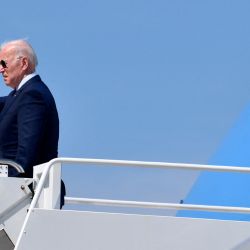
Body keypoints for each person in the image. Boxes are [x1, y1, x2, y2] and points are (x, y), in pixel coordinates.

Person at [0, 40, 65, 207]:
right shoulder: (19, 95)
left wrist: (7, 191)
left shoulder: (32, 95)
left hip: (24, 197)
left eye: (3, 63)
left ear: (23, 63)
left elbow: (26, 157)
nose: (1, 69)